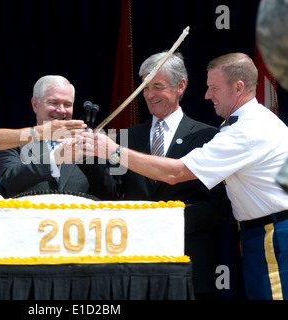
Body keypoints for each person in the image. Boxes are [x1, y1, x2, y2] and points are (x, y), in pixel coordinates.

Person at [82, 52, 288, 300]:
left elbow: (177, 173)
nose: (207, 95)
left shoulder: (241, 132)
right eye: (145, 87)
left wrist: (112, 150)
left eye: (214, 88)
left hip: (265, 237)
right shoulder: (246, 124)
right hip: (255, 234)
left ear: (238, 87)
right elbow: (112, 191)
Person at [106, 52, 233, 299]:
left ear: (180, 86)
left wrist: (168, 221)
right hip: (136, 264)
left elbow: (220, 204)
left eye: (157, 86)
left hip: (189, 263)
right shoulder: (124, 138)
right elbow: (111, 192)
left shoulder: (209, 137)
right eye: (145, 87)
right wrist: (91, 161)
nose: (150, 95)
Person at [0, 75, 119, 199]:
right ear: (35, 104)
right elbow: (9, 181)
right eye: (54, 103)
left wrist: (88, 157)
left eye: (67, 105)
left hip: (78, 218)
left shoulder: (88, 142)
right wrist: (54, 159)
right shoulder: (13, 141)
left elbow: (110, 195)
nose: (61, 110)